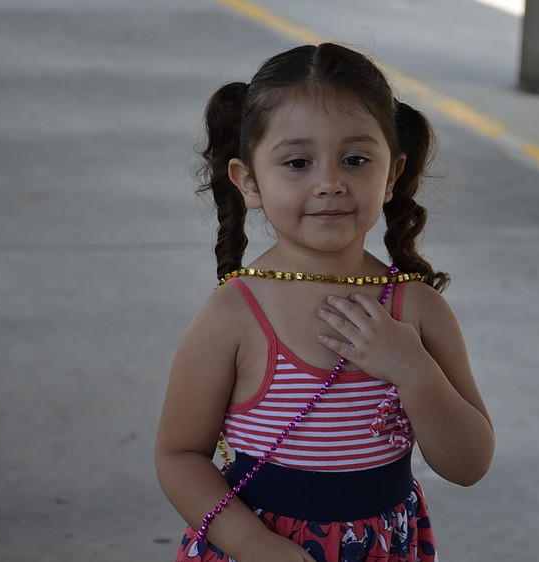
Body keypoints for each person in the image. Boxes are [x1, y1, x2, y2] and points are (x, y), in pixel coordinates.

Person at [154, 43, 494, 562]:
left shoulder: (417, 310)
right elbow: (179, 455)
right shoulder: (235, 313)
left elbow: (468, 465)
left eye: (356, 160)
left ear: (392, 175)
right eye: (297, 163)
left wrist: (413, 371)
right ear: (249, 182)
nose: (330, 183)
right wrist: (255, 546)